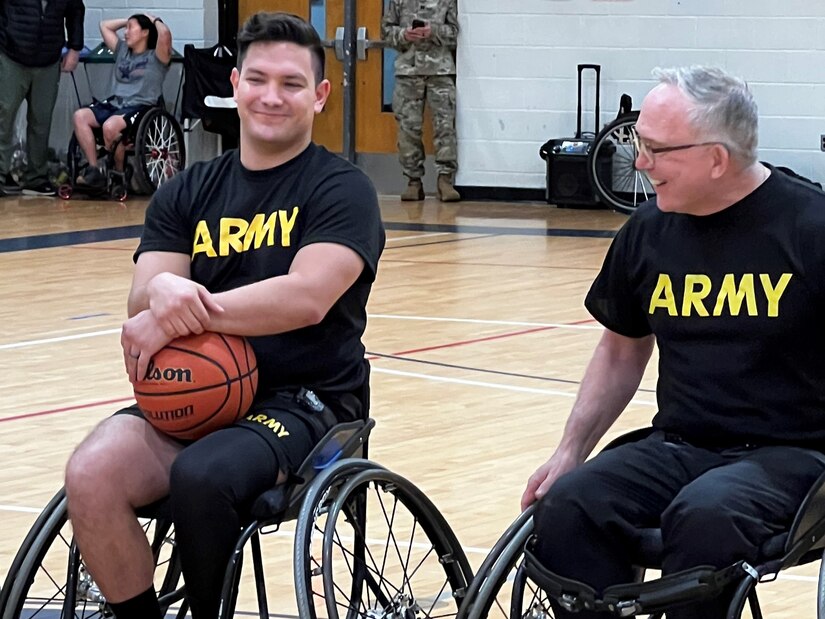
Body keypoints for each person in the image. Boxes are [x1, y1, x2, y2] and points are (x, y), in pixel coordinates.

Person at [63, 11, 385, 619]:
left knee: (202, 477)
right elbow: (144, 294)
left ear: (319, 96)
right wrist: (159, 298)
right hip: (197, 391)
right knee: (92, 471)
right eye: (257, 79)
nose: (270, 96)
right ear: (233, 85)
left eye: (291, 84)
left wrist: (179, 308)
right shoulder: (186, 190)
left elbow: (305, 297)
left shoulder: (342, 190)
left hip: (306, 402)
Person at [521, 65, 825, 619]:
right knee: (569, 503)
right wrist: (569, 452)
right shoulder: (648, 232)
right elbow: (620, 349)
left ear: (716, 158)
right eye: (640, 144)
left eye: (658, 150)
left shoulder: (810, 227)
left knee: (705, 516)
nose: (640, 163)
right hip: (683, 446)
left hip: (797, 454)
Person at [72, 14, 172, 189]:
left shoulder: (157, 56)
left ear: (145, 32)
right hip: (116, 103)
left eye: (131, 28)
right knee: (80, 116)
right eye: (126, 28)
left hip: (141, 106)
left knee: (110, 126)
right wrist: (129, 20)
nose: (126, 32)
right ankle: (94, 170)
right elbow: (104, 25)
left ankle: (120, 172)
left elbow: (164, 36)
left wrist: (154, 19)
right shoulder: (122, 50)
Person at [0, 0, 84, 197]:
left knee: (42, 120)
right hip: (11, 56)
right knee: (4, 116)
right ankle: (1, 174)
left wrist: (75, 48)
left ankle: (36, 177)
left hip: (48, 59)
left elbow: (76, 11)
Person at [381, 0, 460, 202]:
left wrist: (433, 32)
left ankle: (445, 180)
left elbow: (454, 33)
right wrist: (404, 35)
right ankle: (413, 181)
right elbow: (386, 32)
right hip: (408, 72)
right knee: (408, 129)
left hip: (440, 72)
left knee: (445, 126)